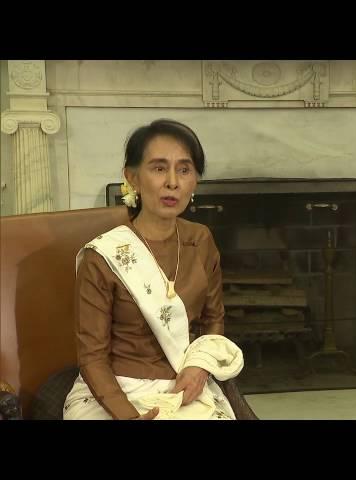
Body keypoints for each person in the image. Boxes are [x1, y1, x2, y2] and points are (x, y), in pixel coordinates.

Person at [63, 119, 243, 420]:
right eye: (159, 168)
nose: (172, 182)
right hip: (114, 392)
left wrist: (199, 368)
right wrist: (128, 416)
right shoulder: (103, 256)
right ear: (132, 177)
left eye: (184, 170)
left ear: (194, 181)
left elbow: (214, 319)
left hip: (184, 384)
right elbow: (92, 357)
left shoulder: (201, 240)